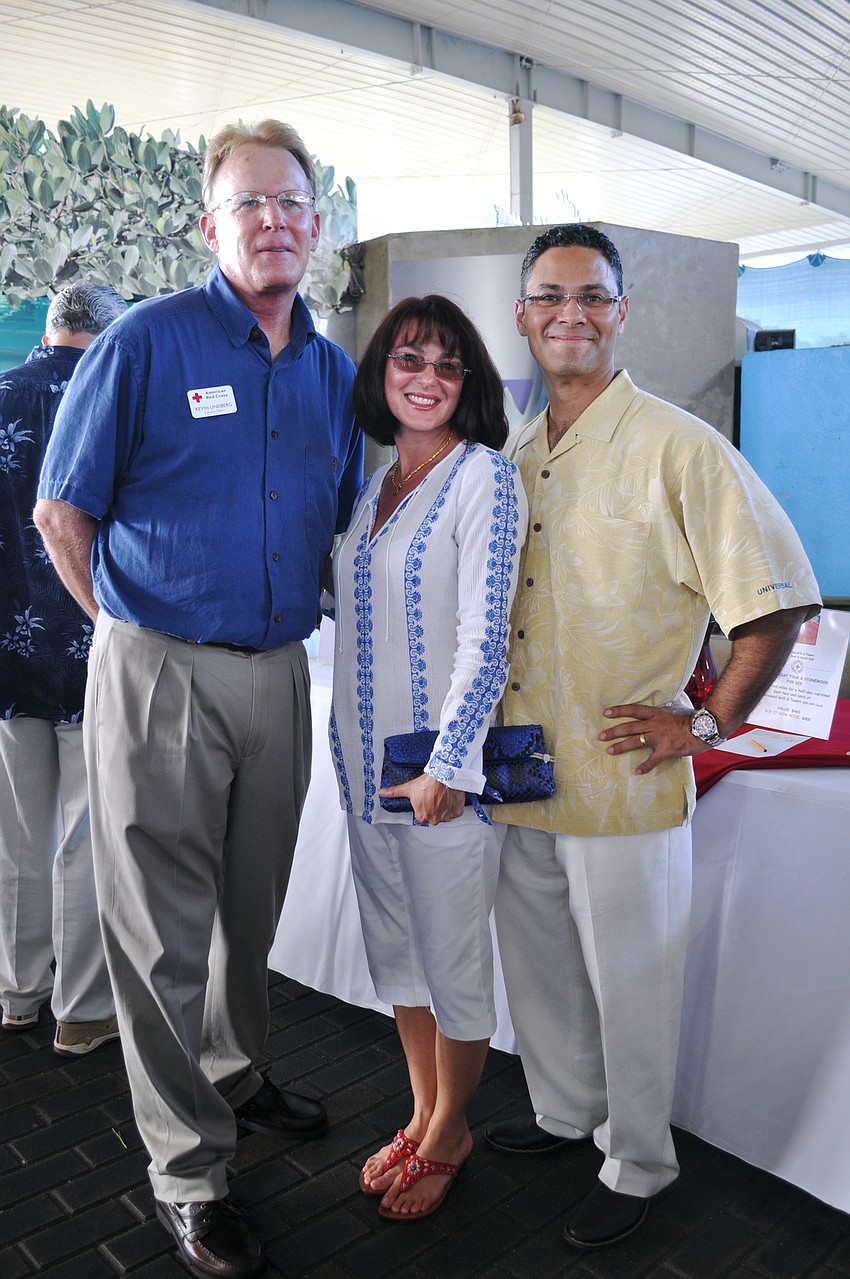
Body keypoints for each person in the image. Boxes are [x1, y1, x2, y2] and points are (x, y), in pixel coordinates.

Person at [34, 120, 363, 1279]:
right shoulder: (146, 342)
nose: (272, 221)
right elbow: (61, 513)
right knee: (158, 931)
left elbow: (338, 523)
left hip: (279, 669)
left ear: (316, 226)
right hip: (158, 664)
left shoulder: (330, 368)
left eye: (292, 203)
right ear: (210, 225)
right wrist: (125, 630)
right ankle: (187, 1168)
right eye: (249, 204)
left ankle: (233, 1069)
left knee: (251, 908)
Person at [484, 224, 821, 1249]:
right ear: (524, 316)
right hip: (518, 759)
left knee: (632, 976)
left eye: (591, 296)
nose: (570, 314)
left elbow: (775, 606)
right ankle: (562, 1110)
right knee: (537, 961)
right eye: (550, 296)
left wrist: (709, 720)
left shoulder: (679, 446)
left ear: (621, 313)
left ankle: (635, 1160)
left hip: (625, 769)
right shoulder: (513, 450)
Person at [330, 295, 528, 1221]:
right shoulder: (374, 486)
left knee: (451, 962)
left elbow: (488, 637)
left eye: (448, 365)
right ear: (381, 373)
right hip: (367, 774)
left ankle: (453, 1130)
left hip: (444, 779)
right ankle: (422, 1112)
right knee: (399, 959)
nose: (427, 378)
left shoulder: (484, 475)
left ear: (469, 385)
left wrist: (451, 765)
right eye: (410, 358)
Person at [0, 282, 126, 1054]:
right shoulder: (117, 401)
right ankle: (80, 1011)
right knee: (86, 831)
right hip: (94, 648)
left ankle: (16, 993)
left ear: (49, 328)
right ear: (109, 334)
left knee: (17, 832)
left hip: (7, 657)